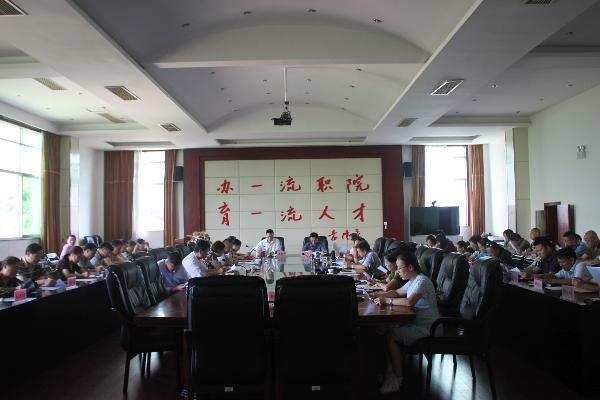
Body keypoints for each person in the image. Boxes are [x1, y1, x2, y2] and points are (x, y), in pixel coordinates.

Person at [373, 252, 440, 393]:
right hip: (416, 322)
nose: (397, 272)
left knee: (391, 336)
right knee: (383, 329)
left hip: (428, 327)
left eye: (399, 268)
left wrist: (387, 301)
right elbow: (397, 293)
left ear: (410, 267)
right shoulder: (413, 281)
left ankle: (398, 379)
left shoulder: (422, 281)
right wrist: (377, 295)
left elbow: (409, 302)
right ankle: (388, 372)